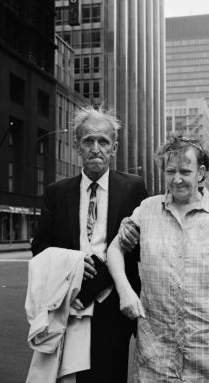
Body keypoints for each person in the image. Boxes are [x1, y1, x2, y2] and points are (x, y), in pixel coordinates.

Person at [107, 136, 209, 382]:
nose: (176, 179)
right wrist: (124, 290)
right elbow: (114, 250)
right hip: (157, 350)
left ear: (201, 173)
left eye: (185, 171)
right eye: (170, 171)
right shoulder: (146, 210)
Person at [31, 105, 148, 383]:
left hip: (114, 306)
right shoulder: (57, 193)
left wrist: (136, 241)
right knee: (71, 378)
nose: (96, 148)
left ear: (114, 147)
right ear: (77, 146)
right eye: (88, 141)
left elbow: (148, 250)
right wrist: (70, 262)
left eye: (103, 141)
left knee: (110, 376)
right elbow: (39, 247)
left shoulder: (134, 187)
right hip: (70, 302)